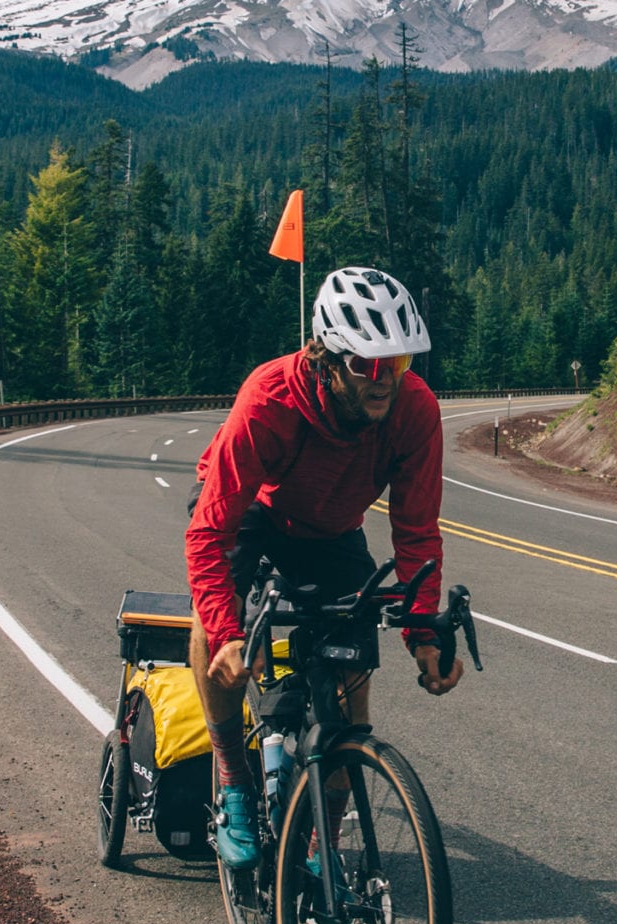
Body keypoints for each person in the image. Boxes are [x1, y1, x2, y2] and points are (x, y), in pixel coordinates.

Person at [185, 266, 463, 868]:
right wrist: (229, 634)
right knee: (211, 631)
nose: (385, 380)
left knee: (352, 678)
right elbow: (209, 532)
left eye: (399, 363)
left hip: (332, 530)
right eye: (367, 365)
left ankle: (323, 843)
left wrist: (421, 633)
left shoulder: (414, 411)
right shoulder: (269, 399)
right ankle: (233, 784)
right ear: (324, 358)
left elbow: (416, 531)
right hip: (252, 513)